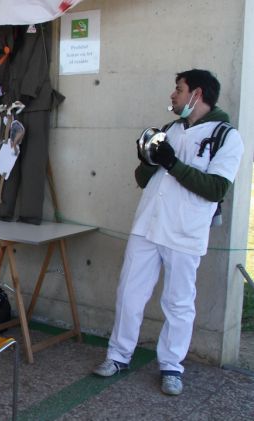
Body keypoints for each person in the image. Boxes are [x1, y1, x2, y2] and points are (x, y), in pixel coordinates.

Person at [92, 69, 244, 396]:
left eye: (179, 90)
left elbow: (216, 188)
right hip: (147, 225)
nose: (173, 96)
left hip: (184, 231)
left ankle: (172, 366)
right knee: (129, 293)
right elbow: (143, 178)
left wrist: (172, 163)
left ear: (197, 95)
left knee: (178, 302)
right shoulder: (169, 130)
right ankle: (118, 355)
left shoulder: (226, 136)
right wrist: (147, 158)